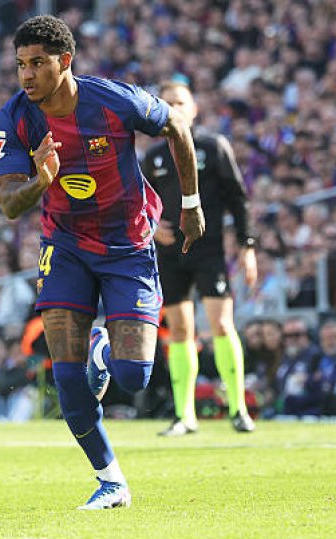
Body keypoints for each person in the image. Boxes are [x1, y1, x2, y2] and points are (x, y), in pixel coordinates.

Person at [0, 16, 203, 509]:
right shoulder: (15, 117)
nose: (27, 75)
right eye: (21, 64)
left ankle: (103, 353)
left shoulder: (113, 100)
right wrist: (42, 181)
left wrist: (191, 203)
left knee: (134, 376)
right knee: (66, 377)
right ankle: (111, 480)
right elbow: (8, 204)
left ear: (65, 61)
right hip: (64, 246)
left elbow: (176, 126)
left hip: (127, 244)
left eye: (38, 63)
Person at [140, 81, 257, 436]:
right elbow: (140, 203)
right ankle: (184, 415)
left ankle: (238, 408)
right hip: (170, 253)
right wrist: (152, 226)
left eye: (180, 102)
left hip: (208, 250)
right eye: (168, 103)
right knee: (179, 330)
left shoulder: (212, 146)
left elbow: (238, 197)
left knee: (221, 324)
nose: (175, 108)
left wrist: (247, 245)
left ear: (194, 109)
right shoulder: (154, 157)